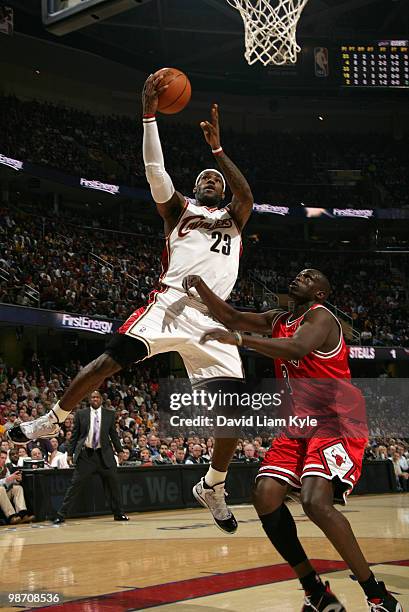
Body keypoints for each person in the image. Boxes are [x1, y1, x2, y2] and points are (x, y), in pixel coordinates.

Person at [9, 71, 253, 535]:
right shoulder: (179, 211)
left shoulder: (235, 218)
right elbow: (155, 172)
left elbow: (247, 194)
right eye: (203, 178)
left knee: (235, 412)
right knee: (108, 361)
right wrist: (148, 115)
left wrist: (219, 151)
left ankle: (214, 485)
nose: (208, 182)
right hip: (171, 306)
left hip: (214, 321)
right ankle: (52, 419)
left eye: (213, 179)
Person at [182, 270, 402, 612]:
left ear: (321, 294)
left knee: (315, 502)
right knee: (265, 495)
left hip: (336, 415)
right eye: (299, 274)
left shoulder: (322, 318)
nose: (300, 277)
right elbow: (231, 316)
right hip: (300, 419)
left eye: (310, 277)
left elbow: (297, 347)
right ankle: (314, 590)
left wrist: (242, 341)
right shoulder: (278, 318)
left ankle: (378, 596)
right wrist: (201, 286)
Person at [53, 391, 128, 524]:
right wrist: (70, 453)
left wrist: (120, 451)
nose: (95, 399)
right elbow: (75, 436)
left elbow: (113, 435)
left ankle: (119, 514)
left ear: (101, 399)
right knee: (75, 485)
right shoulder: (81, 414)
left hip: (105, 455)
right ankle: (61, 514)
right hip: (86, 455)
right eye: (93, 397)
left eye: (97, 397)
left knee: (113, 485)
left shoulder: (109, 414)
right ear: (89, 400)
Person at [0, 450, 35, 525]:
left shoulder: (5, 468)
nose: (3, 460)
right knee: (0, 489)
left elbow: (9, 482)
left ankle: (23, 514)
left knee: (17, 488)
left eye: (5, 458)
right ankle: (11, 517)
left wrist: (16, 479)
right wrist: (7, 479)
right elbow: (5, 481)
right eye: (1, 458)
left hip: (3, 494)